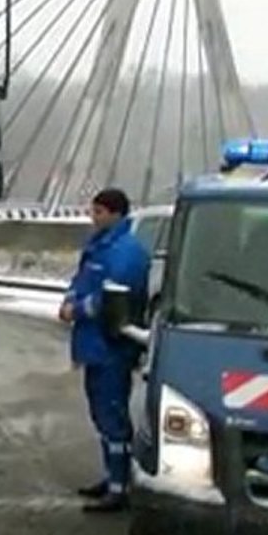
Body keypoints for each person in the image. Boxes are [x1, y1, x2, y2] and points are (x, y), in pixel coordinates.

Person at [59, 189, 150, 513]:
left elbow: (112, 299)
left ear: (115, 214)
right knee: (101, 413)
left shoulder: (125, 252)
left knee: (113, 415)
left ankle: (119, 487)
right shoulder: (101, 245)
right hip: (95, 345)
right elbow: (82, 279)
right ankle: (112, 476)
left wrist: (77, 309)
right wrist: (70, 298)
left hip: (111, 345)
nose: (92, 218)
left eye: (98, 212)